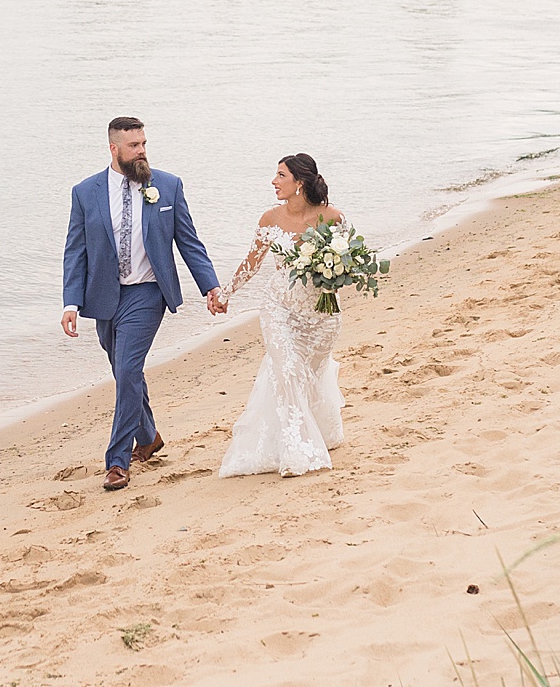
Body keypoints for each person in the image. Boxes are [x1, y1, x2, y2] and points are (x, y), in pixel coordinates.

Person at [61, 117, 220, 491]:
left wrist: (209, 287)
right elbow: (75, 251)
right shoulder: (85, 192)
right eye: (134, 146)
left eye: (144, 143)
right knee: (124, 371)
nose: (142, 151)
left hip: (148, 292)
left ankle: (118, 461)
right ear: (114, 149)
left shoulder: (167, 185)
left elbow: (188, 241)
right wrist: (70, 302)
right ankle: (148, 436)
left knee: (129, 368)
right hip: (103, 296)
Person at [209, 154, 348, 478]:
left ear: (299, 182)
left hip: (321, 313)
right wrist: (224, 294)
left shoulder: (333, 218)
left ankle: (317, 432)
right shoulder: (270, 219)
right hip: (279, 307)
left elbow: (348, 265)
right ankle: (296, 449)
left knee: (308, 375)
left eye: (280, 175)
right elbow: (252, 262)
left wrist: (333, 272)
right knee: (285, 371)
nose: (274, 181)